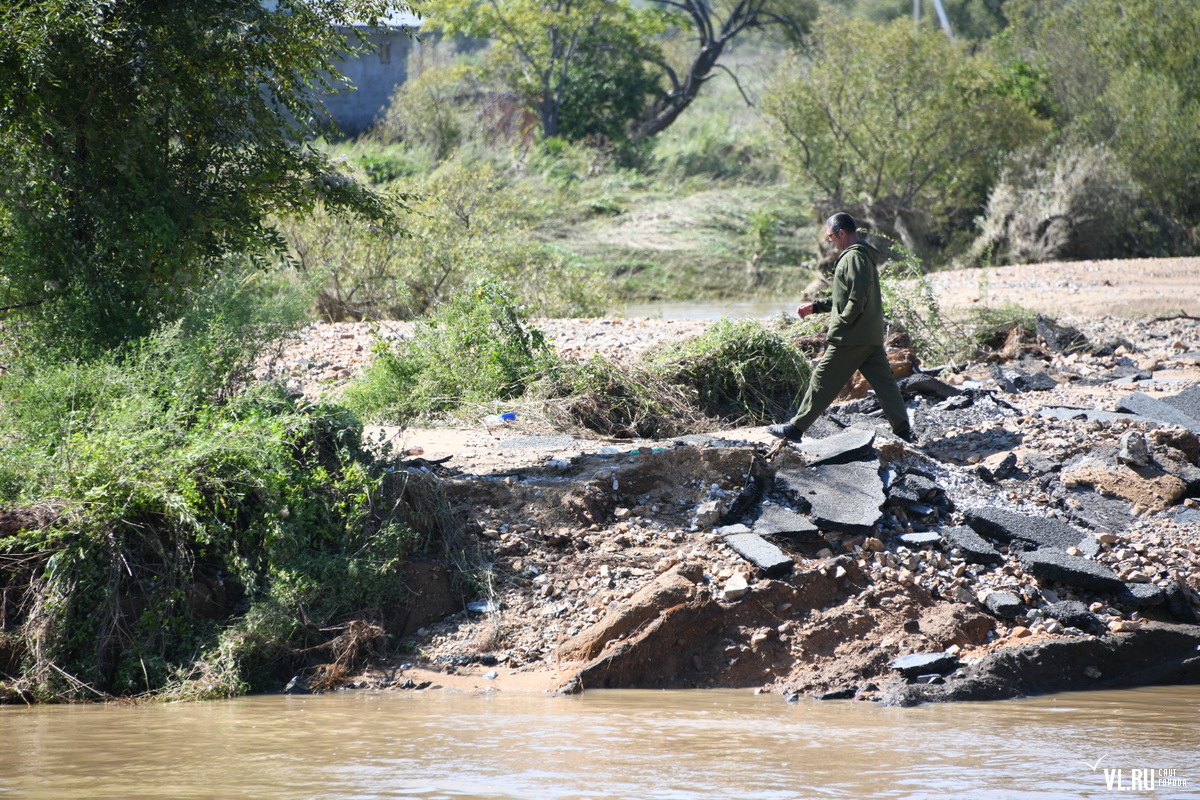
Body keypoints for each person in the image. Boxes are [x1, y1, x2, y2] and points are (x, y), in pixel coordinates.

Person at [767, 212, 914, 444]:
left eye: (830, 236)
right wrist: (816, 307)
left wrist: (842, 323)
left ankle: (795, 429)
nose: (830, 241)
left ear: (841, 233)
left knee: (822, 380)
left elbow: (857, 297)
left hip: (851, 336)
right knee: (885, 385)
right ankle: (904, 432)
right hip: (868, 335)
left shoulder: (853, 258)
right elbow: (844, 297)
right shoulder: (861, 256)